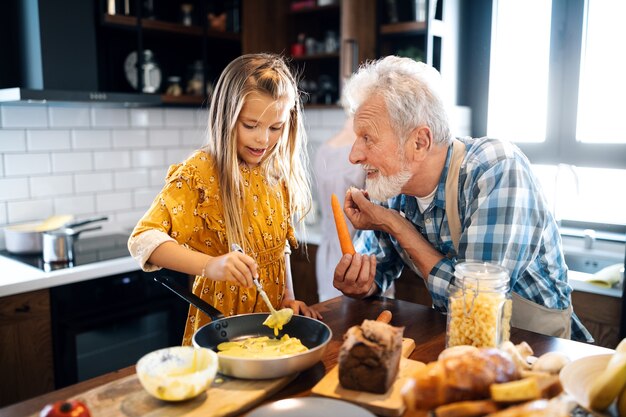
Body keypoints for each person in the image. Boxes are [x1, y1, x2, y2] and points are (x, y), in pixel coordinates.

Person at [332, 55, 592, 342]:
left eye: (368, 138)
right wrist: (360, 281)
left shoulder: (496, 169)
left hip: (539, 346)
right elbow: (375, 270)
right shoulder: (391, 184)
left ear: (419, 142)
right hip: (461, 341)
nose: (354, 155)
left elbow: (476, 302)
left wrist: (397, 226)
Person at [128, 53, 322, 346]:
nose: (263, 140)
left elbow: (279, 245)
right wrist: (212, 265)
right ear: (226, 116)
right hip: (222, 325)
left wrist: (287, 299)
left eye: (275, 127)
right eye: (251, 125)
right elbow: (142, 240)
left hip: (270, 327)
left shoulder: (275, 171)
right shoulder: (203, 171)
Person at [313, 116, 365, 301]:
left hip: (327, 253)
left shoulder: (323, 150)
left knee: (332, 317)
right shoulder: (364, 152)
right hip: (360, 255)